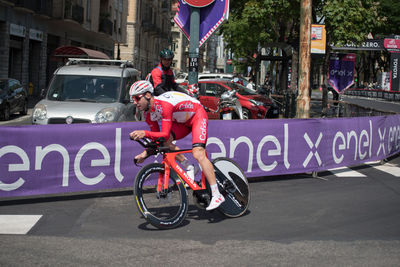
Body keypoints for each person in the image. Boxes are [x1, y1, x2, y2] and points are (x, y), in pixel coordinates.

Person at [129, 80, 225, 210]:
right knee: (165, 142)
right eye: (133, 99)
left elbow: (164, 133)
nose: (135, 102)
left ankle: (217, 194)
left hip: (197, 115)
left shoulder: (164, 105)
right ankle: (189, 166)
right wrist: (145, 154)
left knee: (198, 153)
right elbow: (159, 140)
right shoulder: (148, 115)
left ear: (147, 95)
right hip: (182, 122)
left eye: (136, 98)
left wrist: (144, 133)